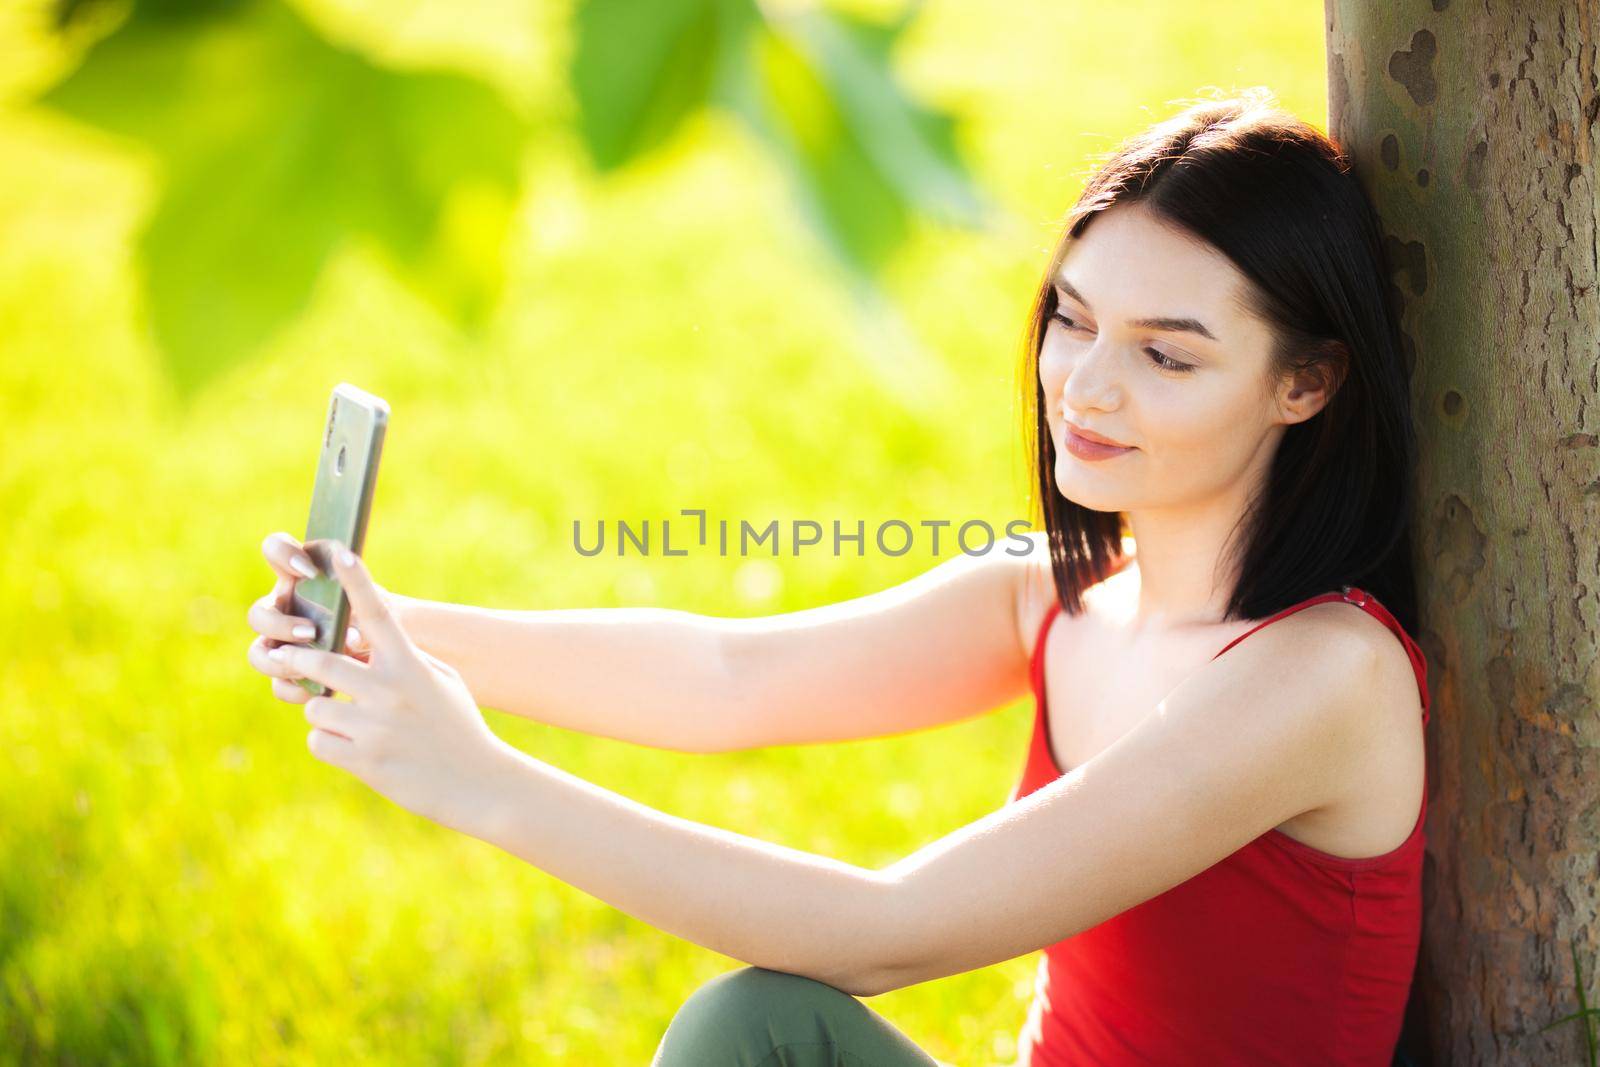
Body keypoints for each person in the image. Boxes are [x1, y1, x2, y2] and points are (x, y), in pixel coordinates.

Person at [246, 88, 1430, 1066]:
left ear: (1305, 382)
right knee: (752, 1027)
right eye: (1072, 320)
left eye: (1167, 352)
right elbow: (728, 675)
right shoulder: (1062, 596)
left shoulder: (1323, 673)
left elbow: (884, 932)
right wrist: (388, 628)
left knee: (754, 1030)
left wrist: (482, 782)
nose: (1085, 387)